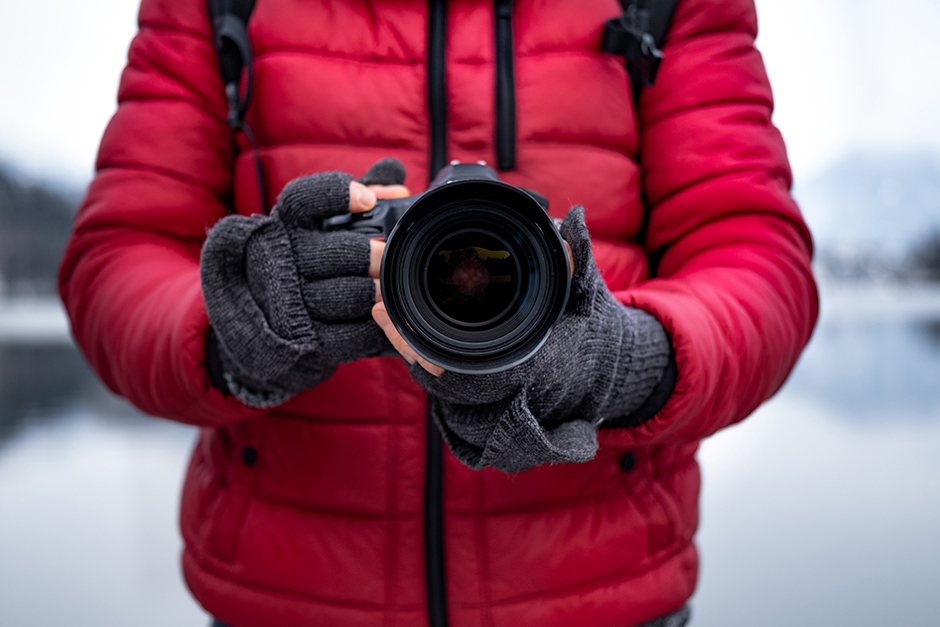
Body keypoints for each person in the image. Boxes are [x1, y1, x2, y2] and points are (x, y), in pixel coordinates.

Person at [58, 0, 818, 625]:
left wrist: (623, 361)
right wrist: (238, 332)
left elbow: (759, 265)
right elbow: (114, 264)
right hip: (286, 596)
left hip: (602, 596)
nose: (466, 279)